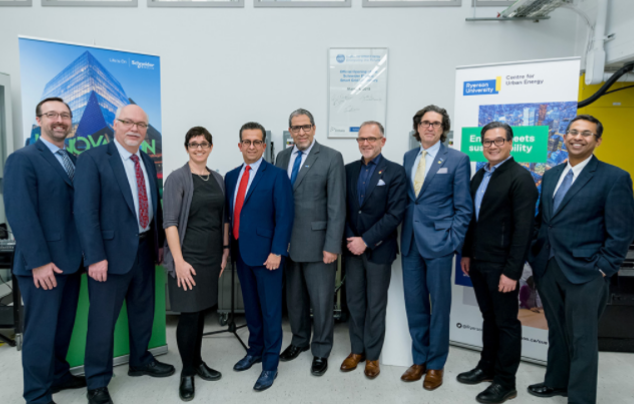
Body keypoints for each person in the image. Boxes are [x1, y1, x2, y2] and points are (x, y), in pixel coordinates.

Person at [527, 114, 634, 404]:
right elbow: (544, 220)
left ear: (597, 141)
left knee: (582, 338)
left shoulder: (614, 177)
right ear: (564, 137)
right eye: (573, 132)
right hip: (549, 266)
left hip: (587, 271)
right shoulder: (551, 174)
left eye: (586, 133)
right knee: (557, 330)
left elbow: (622, 230)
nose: (578, 137)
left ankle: (581, 398)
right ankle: (556, 382)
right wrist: (535, 253)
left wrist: (604, 267)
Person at [74, 105, 175, 404]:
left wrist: (159, 243)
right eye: (128, 122)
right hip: (108, 255)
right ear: (115, 124)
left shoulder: (147, 160)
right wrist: (94, 256)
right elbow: (85, 212)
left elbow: (153, 203)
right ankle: (96, 381)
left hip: (144, 250)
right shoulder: (93, 159)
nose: (135, 128)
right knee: (102, 321)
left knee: (143, 311)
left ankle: (140, 360)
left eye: (141, 124)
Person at [4, 97, 86, 404]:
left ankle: (58, 375)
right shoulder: (22, 159)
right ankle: (37, 394)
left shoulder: (74, 160)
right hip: (42, 265)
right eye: (52, 114)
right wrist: (39, 262)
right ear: (39, 120)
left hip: (71, 261)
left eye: (65, 115)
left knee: (62, 328)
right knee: (40, 333)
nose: (59, 120)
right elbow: (20, 214)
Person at [459, 122, 538, 404]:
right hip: (478, 260)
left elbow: (524, 230)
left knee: (506, 323)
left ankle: (505, 382)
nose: (492, 146)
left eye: (499, 141)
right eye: (487, 141)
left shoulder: (521, 178)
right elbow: (472, 220)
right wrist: (466, 252)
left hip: (502, 265)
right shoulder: (481, 174)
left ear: (510, 143)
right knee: (489, 317)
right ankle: (487, 367)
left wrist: (512, 272)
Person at [400, 105, 472, 390]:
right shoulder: (408, 157)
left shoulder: (457, 159)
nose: (430, 127)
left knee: (439, 307)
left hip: (440, 244)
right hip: (410, 243)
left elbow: (464, 208)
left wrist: (452, 242)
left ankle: (435, 365)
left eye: (436, 123)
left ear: (443, 129)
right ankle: (419, 359)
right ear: (417, 127)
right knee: (415, 305)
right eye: (425, 122)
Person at [275, 108, 346, 376]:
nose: (301, 132)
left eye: (306, 126)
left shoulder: (331, 157)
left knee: (321, 301)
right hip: (288, 244)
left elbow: (337, 206)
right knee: (294, 300)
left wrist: (332, 245)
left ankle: (321, 350)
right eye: (296, 127)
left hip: (319, 245)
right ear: (290, 131)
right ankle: (300, 340)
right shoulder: (282, 157)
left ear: (314, 128)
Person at [226, 122, 294, 392]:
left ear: (264, 146)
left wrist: (277, 251)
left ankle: (270, 364)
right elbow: (230, 215)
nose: (252, 146)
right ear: (240, 145)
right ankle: (254, 350)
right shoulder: (231, 176)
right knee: (251, 308)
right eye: (247, 141)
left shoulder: (277, 176)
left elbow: (285, 216)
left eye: (257, 141)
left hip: (268, 256)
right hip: (241, 253)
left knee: (270, 310)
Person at [163, 126, 229, 401]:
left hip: (211, 257)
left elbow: (224, 218)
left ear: (210, 147)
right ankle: (187, 372)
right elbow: (170, 223)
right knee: (189, 315)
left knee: (201, 312)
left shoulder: (218, 179)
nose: (199, 148)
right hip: (187, 257)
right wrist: (178, 261)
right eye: (193, 144)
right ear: (187, 148)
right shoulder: (177, 178)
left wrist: (225, 250)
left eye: (204, 143)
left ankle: (198, 361)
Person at [340, 121, 407, 379]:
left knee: (376, 305)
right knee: (354, 302)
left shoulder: (395, 172)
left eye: (371, 138)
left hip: (379, 250)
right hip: (352, 249)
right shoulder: (348, 170)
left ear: (382, 141)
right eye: (361, 139)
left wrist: (365, 240)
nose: (365, 143)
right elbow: (343, 209)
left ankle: (372, 356)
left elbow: (395, 214)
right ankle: (356, 350)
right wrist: (351, 239)